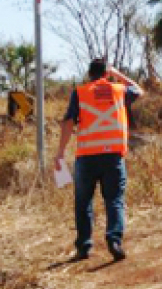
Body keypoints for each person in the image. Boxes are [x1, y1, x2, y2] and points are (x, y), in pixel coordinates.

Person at [55, 58, 143, 262]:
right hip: (113, 156)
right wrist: (118, 74)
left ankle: (84, 247)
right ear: (106, 74)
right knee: (114, 200)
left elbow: (68, 123)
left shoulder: (80, 93)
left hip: (86, 157)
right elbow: (138, 89)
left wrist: (60, 152)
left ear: (89, 74)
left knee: (83, 201)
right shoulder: (119, 90)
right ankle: (114, 240)